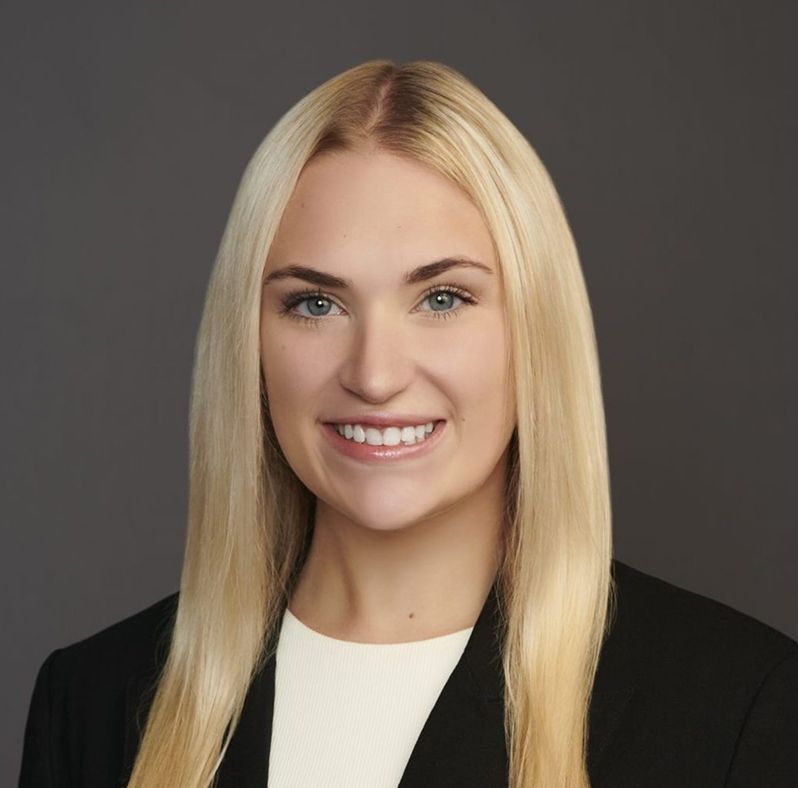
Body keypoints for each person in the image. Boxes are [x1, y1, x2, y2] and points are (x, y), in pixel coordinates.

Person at [18, 59, 798, 788]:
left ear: (536, 331)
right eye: (315, 304)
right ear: (248, 344)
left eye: (443, 298)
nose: (376, 374)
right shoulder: (91, 703)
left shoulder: (739, 711)